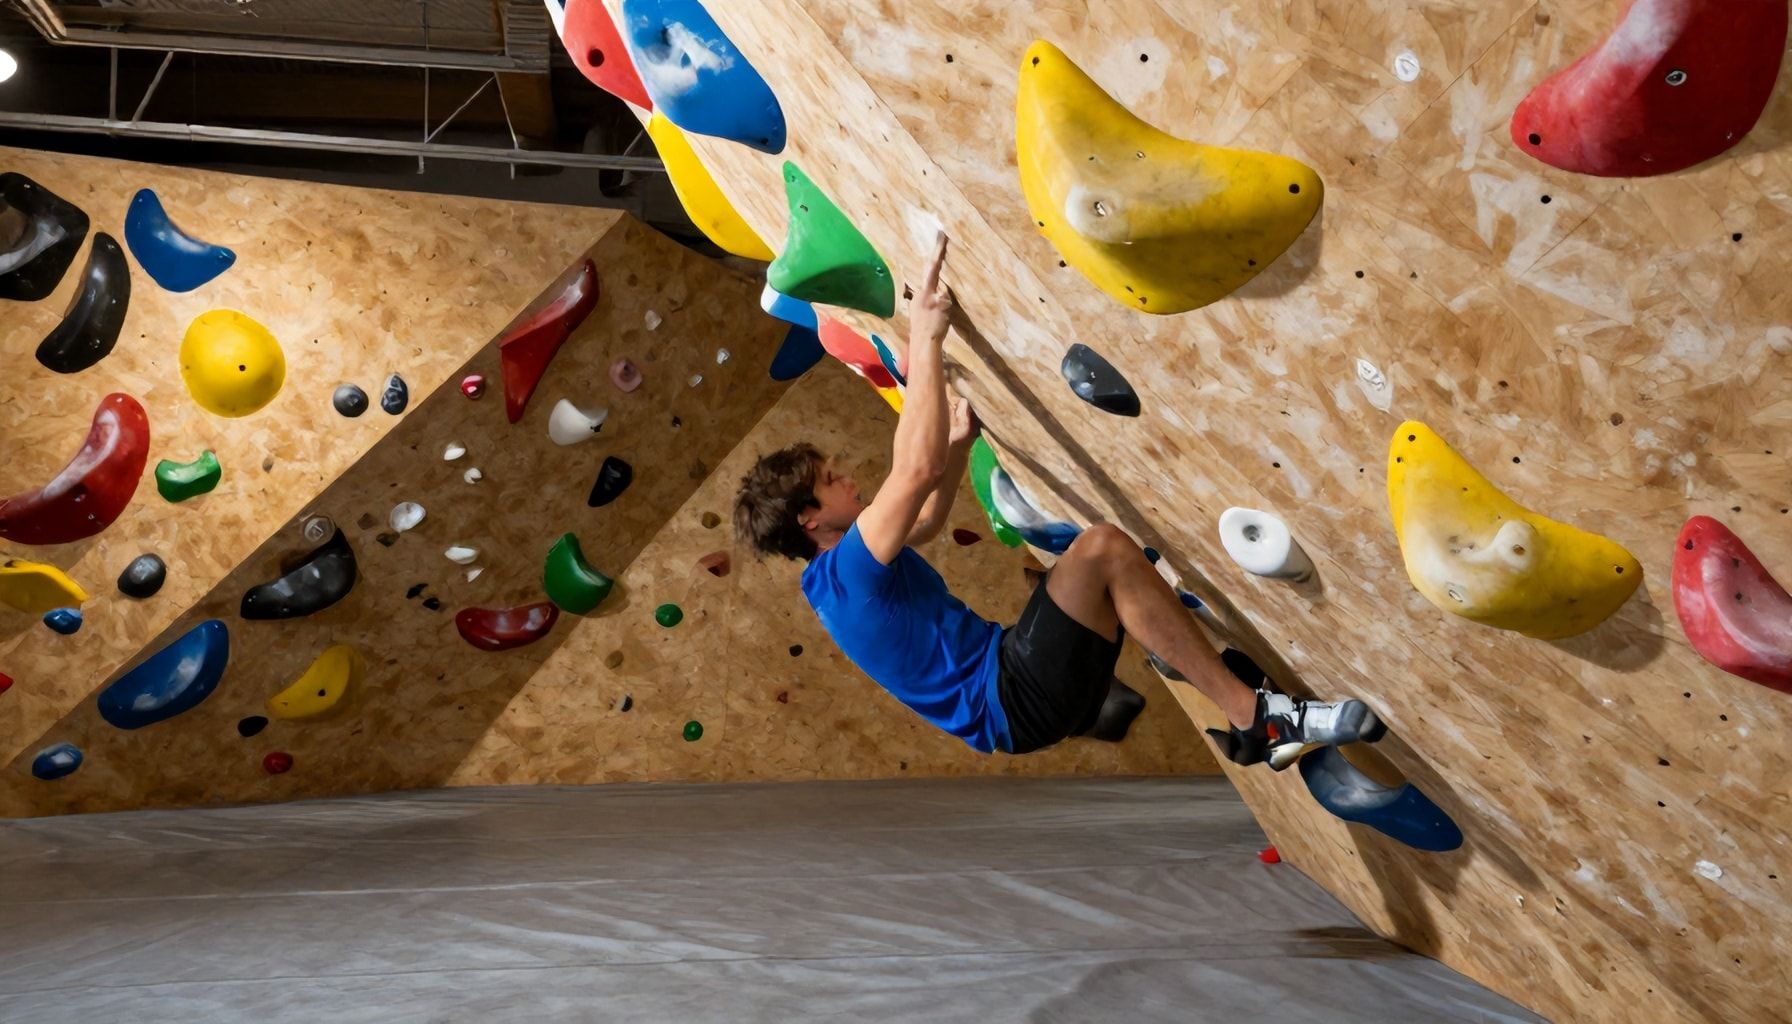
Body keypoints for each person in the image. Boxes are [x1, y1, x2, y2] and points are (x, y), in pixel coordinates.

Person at [733, 233, 1383, 765]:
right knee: (1099, 551)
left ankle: (1243, 711)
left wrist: (959, 446)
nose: (847, 478)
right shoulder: (847, 574)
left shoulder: (840, 576)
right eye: (830, 480)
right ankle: (1254, 717)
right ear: (810, 518)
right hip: (1012, 695)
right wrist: (927, 336)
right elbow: (915, 464)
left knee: (1113, 562)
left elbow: (926, 520)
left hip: (1017, 693)